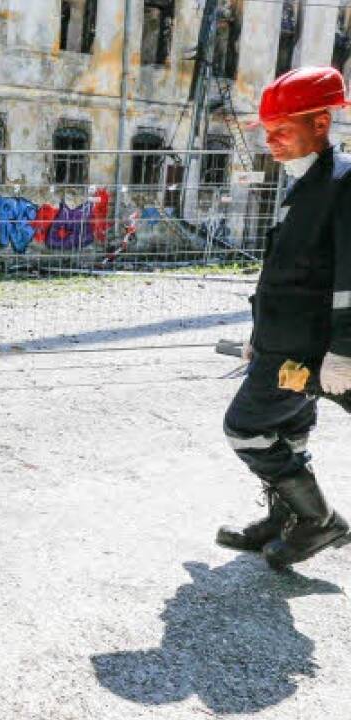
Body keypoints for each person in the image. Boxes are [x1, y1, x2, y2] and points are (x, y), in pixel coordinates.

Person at [216, 67, 351, 568]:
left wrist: (344, 350)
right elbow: (285, 274)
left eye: (282, 131)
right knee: (287, 431)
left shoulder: (343, 184)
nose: (271, 143)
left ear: (320, 123)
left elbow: (349, 278)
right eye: (267, 132)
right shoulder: (305, 183)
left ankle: (319, 521)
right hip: (282, 341)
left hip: (306, 348)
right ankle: (285, 519)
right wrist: (258, 334)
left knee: (244, 428)